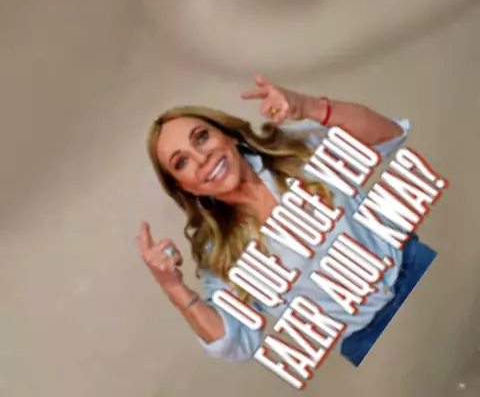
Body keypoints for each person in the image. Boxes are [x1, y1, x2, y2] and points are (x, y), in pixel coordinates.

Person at [137, 75, 437, 367]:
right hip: (368, 341)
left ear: (228, 134)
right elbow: (235, 342)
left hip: (417, 267)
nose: (202, 158)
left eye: (201, 137)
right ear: (184, 187)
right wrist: (173, 287)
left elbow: (388, 135)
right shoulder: (219, 253)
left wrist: (312, 107)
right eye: (182, 162)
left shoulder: (295, 147)